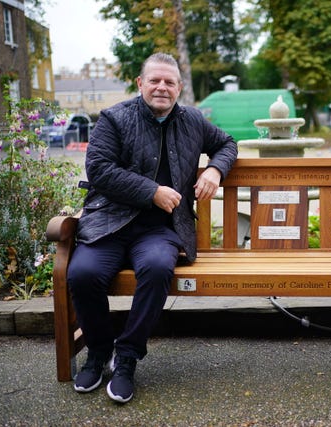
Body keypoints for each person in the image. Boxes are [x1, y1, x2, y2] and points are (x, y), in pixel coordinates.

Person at [66, 52, 238, 403]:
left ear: (179, 87)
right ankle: (99, 352)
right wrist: (152, 191)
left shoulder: (192, 120)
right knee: (82, 274)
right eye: (155, 80)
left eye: (170, 82)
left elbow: (227, 143)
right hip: (109, 222)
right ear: (140, 83)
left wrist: (214, 170)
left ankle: (127, 357)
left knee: (159, 268)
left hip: (160, 229)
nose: (162, 87)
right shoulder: (114, 118)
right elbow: (99, 168)